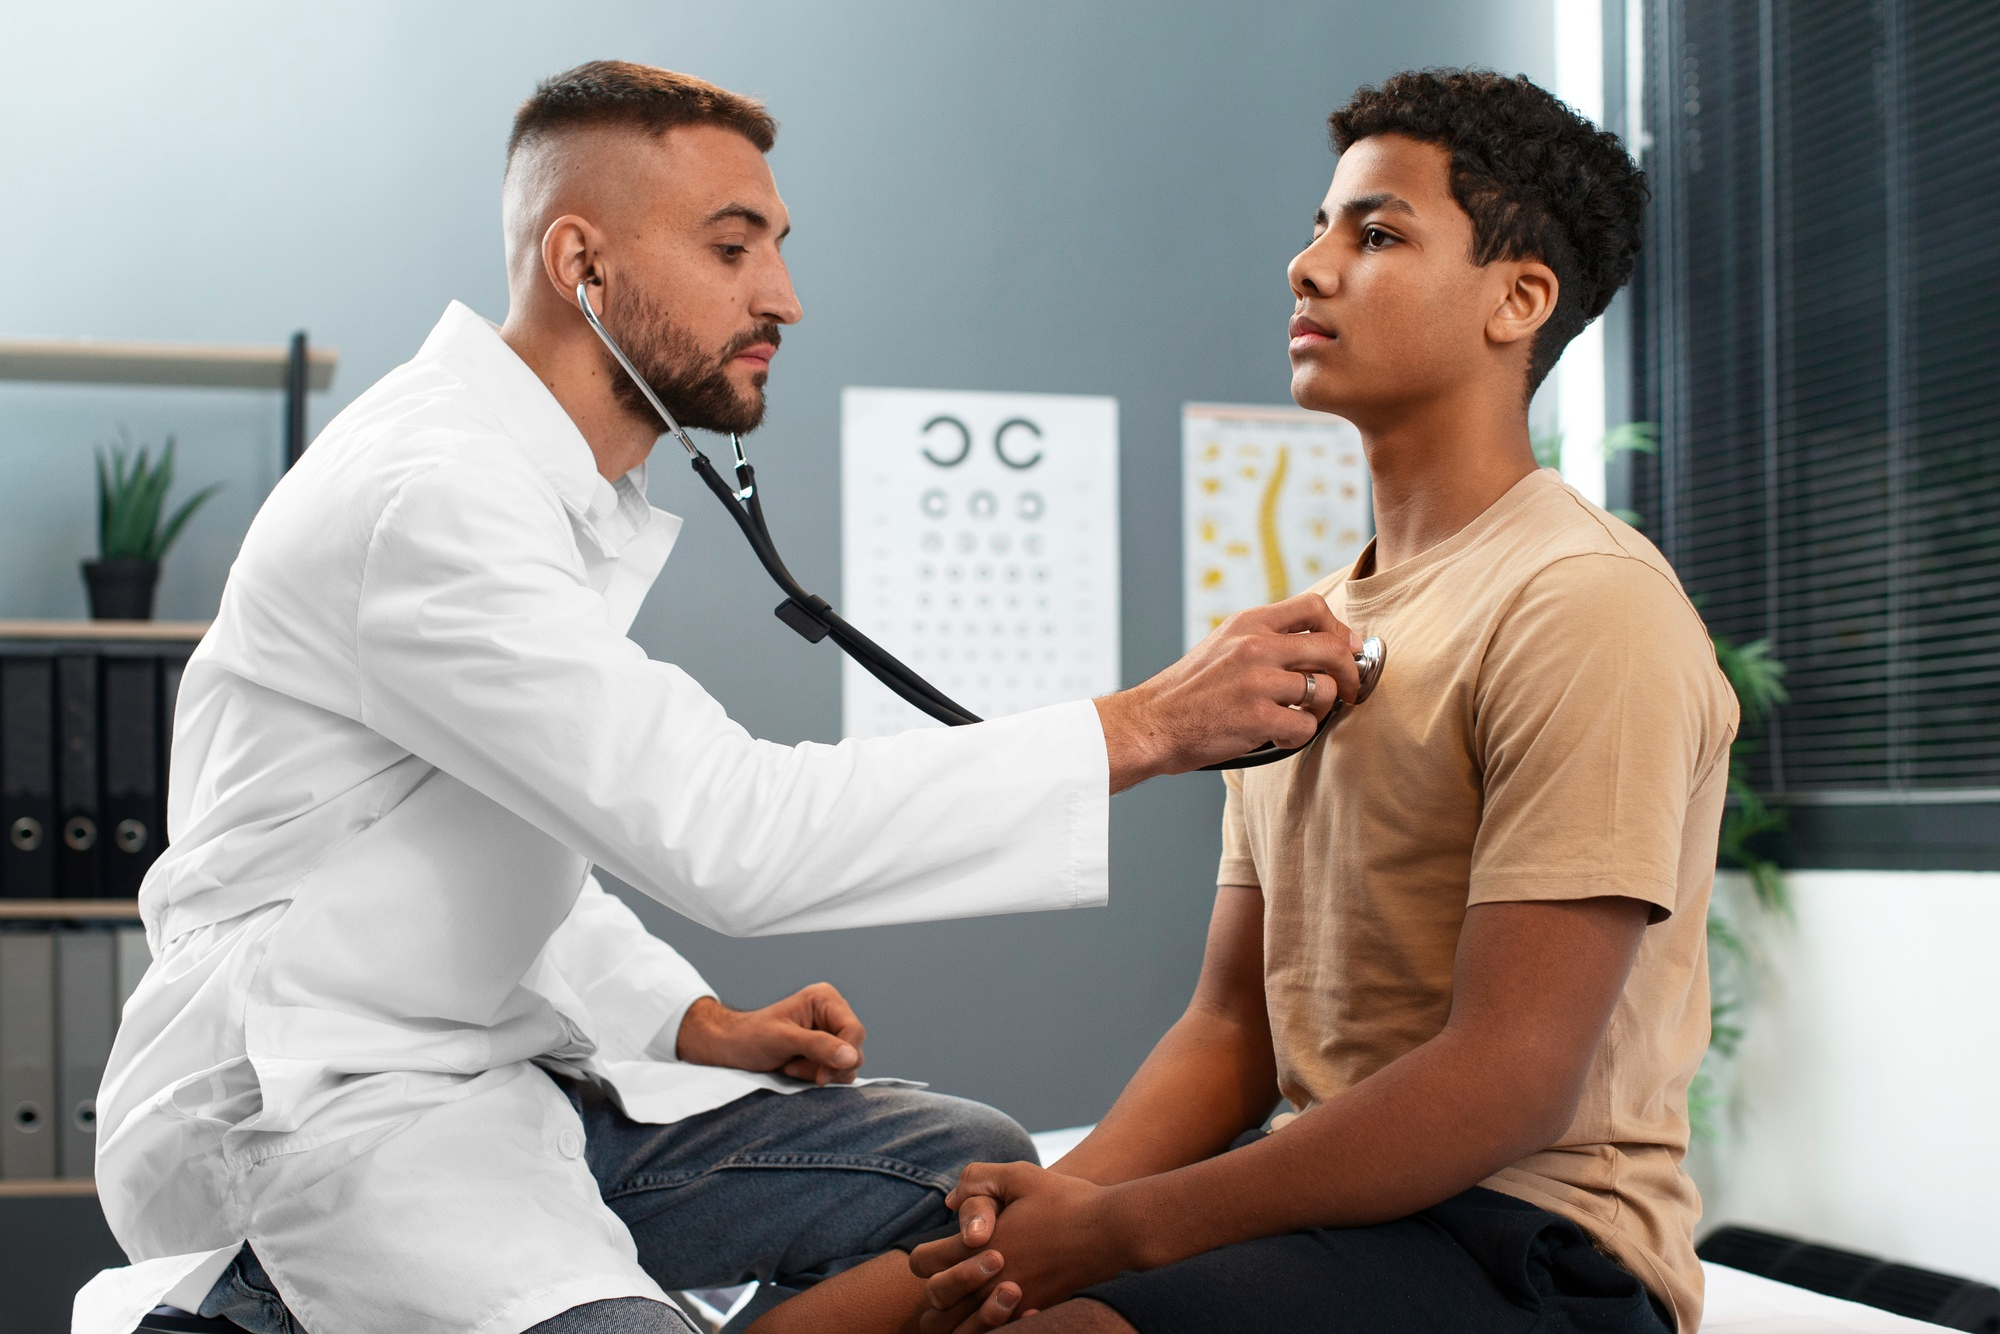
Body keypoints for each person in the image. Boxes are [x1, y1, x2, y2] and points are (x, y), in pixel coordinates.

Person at [79, 62, 1370, 1334]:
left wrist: (690, 1020)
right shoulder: (433, 499)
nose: (786, 298)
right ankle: (248, 1306)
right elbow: (729, 829)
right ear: (582, 264)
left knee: (962, 1163)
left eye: (780, 247)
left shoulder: (550, 491)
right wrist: (1146, 722)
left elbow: (483, 842)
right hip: (314, 1115)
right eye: (733, 247)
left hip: (490, 1076)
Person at [903, 69, 1736, 1333]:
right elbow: (1231, 1025)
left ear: (1518, 300)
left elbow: (1504, 1078)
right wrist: (1043, 1216)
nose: (1307, 267)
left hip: (1530, 1244)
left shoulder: (1584, 602)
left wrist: (1114, 1235)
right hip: (1334, 1216)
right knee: (905, 1301)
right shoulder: (1298, 632)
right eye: (1317, 227)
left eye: (1377, 232)